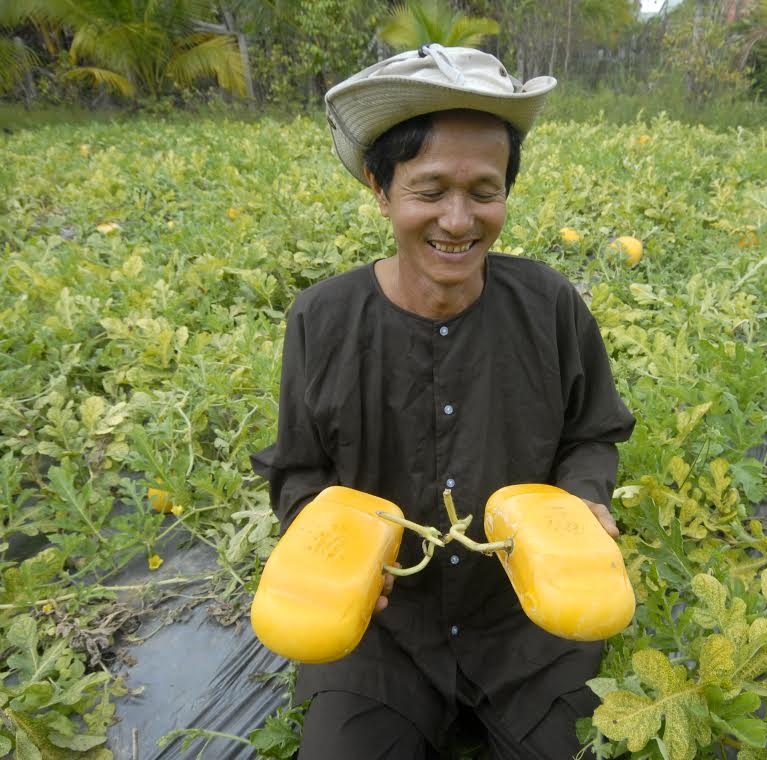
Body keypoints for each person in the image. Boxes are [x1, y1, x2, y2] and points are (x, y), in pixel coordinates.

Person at [251, 43, 635, 760]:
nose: (458, 221)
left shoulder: (550, 304)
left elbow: (592, 434)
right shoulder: (321, 318)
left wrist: (584, 497)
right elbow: (299, 470)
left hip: (527, 622)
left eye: (483, 191)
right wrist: (331, 551)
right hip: (380, 637)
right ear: (379, 187)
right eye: (429, 191)